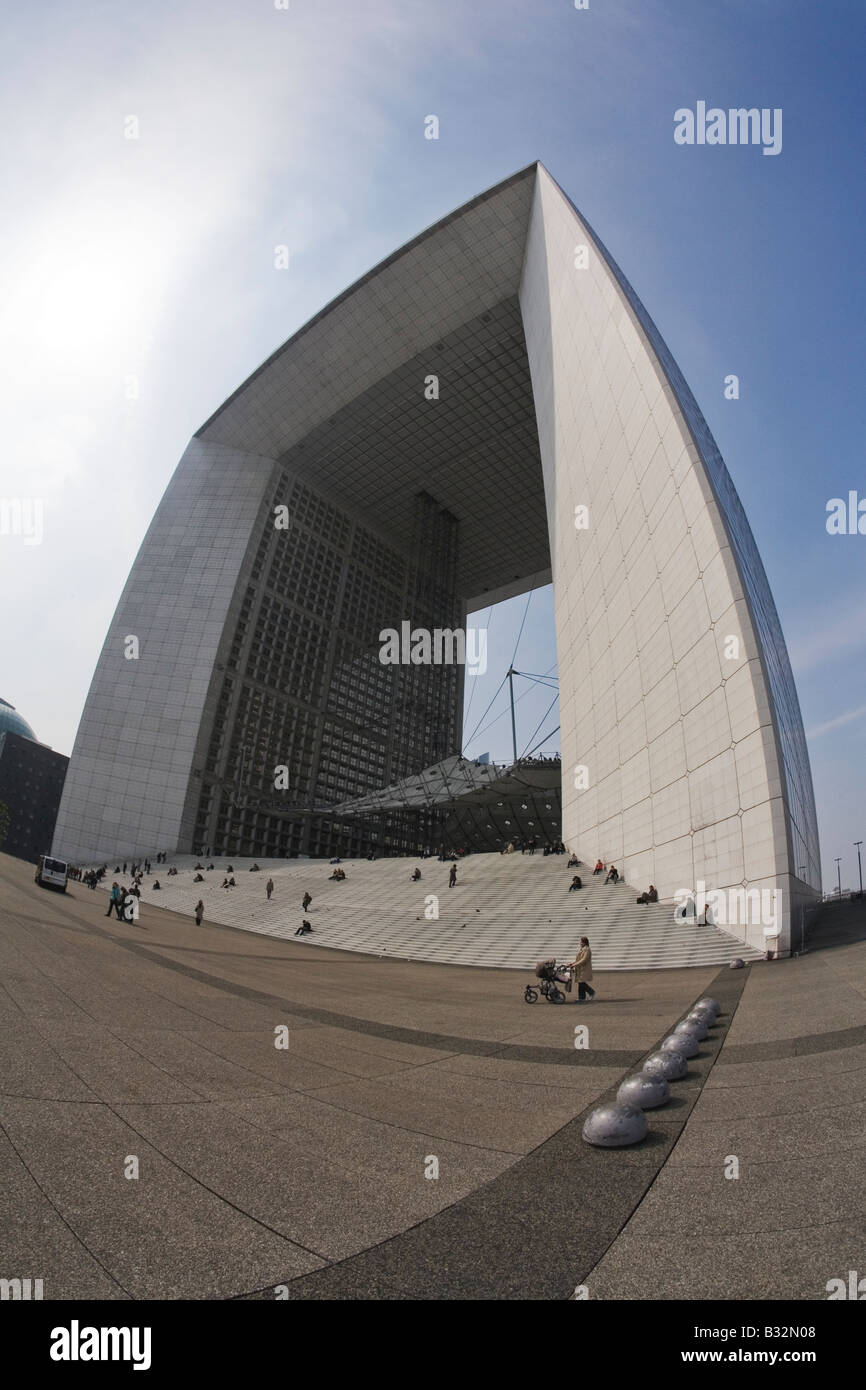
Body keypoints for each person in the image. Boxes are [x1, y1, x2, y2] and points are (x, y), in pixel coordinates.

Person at [572, 937, 595, 1002]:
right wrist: (572, 964)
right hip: (580, 969)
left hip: (584, 969)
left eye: (581, 942)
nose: (580, 943)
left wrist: (575, 964)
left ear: (584, 942)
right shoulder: (582, 949)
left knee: (582, 983)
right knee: (580, 983)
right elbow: (579, 959)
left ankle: (591, 992)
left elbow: (584, 959)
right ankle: (581, 997)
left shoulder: (587, 949)